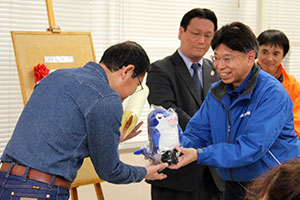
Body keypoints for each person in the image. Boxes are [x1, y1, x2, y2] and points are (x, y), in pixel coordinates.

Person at [0, 41, 168, 200]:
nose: (133, 93)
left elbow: (60, 140)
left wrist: (111, 140)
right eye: (138, 84)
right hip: (39, 190)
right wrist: (145, 172)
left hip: (6, 181)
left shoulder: (57, 75)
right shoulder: (106, 98)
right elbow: (110, 171)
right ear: (127, 71)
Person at [168, 22, 300, 200]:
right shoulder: (217, 92)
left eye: (227, 58)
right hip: (232, 182)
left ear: (250, 57)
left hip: (271, 184)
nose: (219, 66)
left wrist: (199, 155)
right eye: (216, 58)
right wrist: (171, 150)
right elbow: (198, 132)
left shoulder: (272, 93)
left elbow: (251, 148)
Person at [146, 8, 224, 200]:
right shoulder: (159, 69)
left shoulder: (218, 70)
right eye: (196, 34)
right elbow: (168, 113)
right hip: (176, 175)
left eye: (208, 36)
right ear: (181, 32)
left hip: (214, 174)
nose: (202, 41)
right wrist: (212, 132)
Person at [257, 29, 300, 137]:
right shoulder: (242, 80)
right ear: (256, 52)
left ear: (283, 56)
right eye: (264, 52)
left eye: (276, 53)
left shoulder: (292, 85)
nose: (269, 58)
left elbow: (297, 120)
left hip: (282, 144)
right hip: (251, 142)